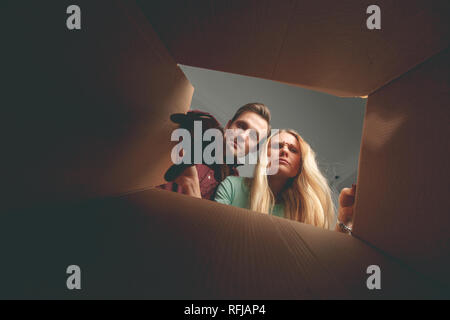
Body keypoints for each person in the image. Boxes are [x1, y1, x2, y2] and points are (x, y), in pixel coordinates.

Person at [214, 129, 356, 232]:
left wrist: (345, 218)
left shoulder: (302, 211)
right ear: (265, 155)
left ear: (299, 167)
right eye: (277, 146)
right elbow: (212, 233)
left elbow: (319, 260)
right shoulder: (232, 186)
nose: (285, 151)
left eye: (293, 150)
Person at [158, 103, 272, 200]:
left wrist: (191, 184)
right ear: (228, 126)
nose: (242, 136)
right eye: (241, 126)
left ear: (254, 148)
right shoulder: (199, 130)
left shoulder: (232, 186)